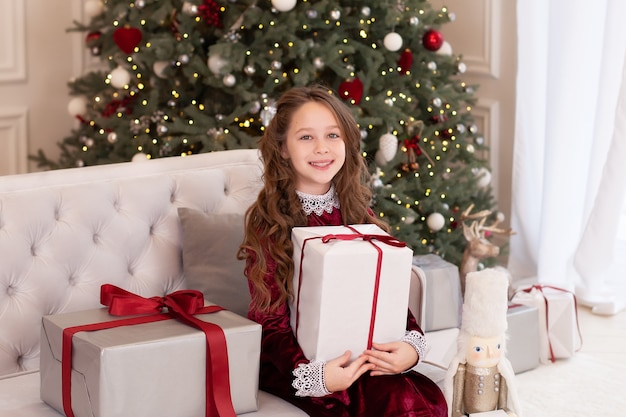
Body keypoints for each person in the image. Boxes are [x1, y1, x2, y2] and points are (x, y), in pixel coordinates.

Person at [238, 84, 447, 416]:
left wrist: (410, 344)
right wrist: (317, 377)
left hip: (361, 353)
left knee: (420, 398)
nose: (322, 148)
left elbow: (387, 296)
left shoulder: (358, 213)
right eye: (306, 137)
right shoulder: (270, 224)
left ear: (347, 143)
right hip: (300, 364)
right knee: (390, 402)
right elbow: (270, 323)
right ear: (282, 148)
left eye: (333, 135)